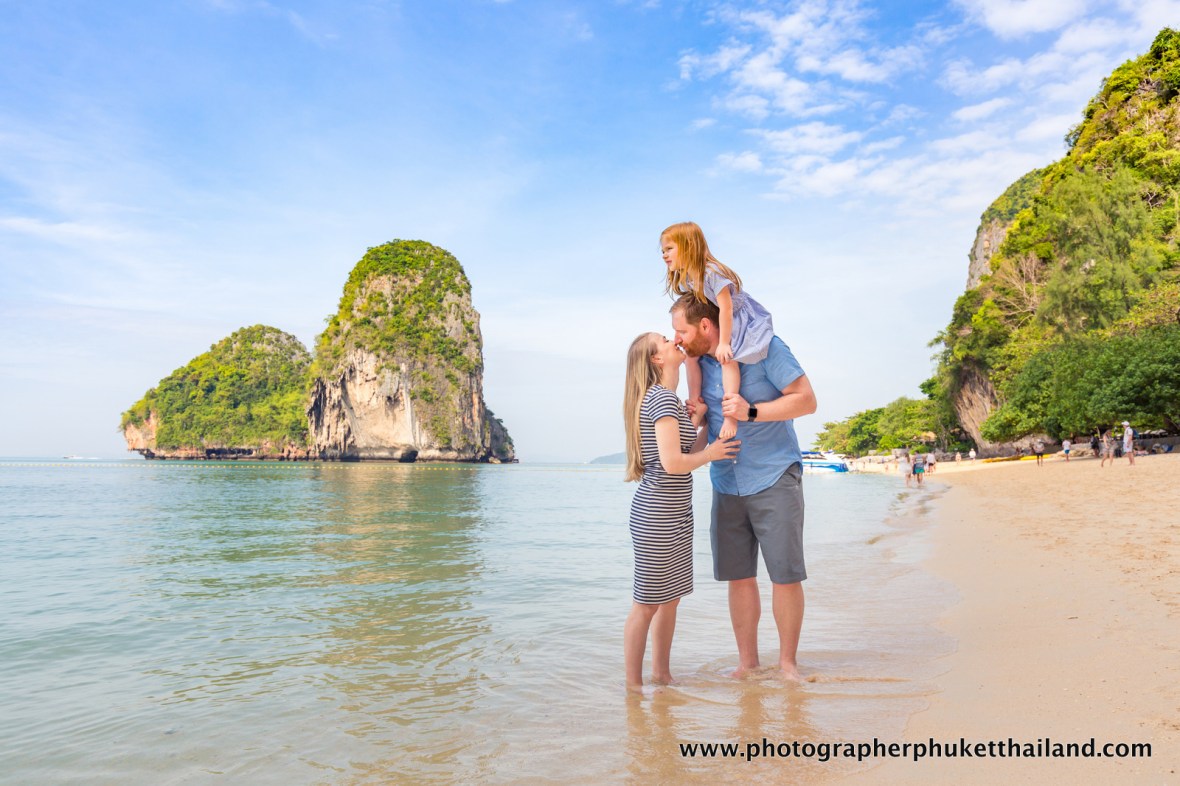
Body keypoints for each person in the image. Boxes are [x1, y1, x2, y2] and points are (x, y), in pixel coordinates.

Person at [670, 294, 816, 682]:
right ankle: (747, 663)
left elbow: (807, 401)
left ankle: (788, 665)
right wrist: (699, 418)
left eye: (681, 330)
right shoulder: (698, 365)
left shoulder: (765, 347)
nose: (678, 339)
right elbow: (703, 426)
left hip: (773, 473)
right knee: (738, 575)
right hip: (725, 479)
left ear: (705, 326)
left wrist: (752, 412)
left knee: (785, 574)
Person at [622, 332, 739, 693]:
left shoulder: (667, 400)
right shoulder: (660, 399)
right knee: (646, 604)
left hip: (674, 513)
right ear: (657, 360)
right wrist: (714, 454)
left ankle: (661, 675)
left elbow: (688, 451)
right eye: (665, 341)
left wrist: (702, 425)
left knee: (669, 599)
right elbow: (674, 464)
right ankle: (632, 688)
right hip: (657, 514)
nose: (674, 341)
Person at [662, 221, 775, 441]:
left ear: (688, 247)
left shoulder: (711, 273)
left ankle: (731, 416)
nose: (664, 255)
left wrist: (724, 343)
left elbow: (727, 307)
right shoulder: (689, 277)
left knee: (728, 360)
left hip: (738, 319)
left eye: (669, 249)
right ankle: (696, 404)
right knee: (691, 358)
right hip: (720, 317)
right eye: (663, 250)